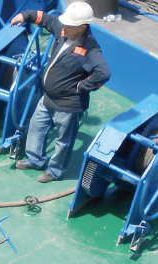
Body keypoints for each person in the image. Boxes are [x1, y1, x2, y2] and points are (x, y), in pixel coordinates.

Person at [11, 2, 110, 182]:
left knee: (64, 141)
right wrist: (25, 16)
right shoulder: (64, 30)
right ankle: (35, 160)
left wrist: (82, 87)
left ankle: (55, 171)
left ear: (82, 27)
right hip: (48, 98)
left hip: (68, 106)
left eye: (69, 24)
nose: (64, 26)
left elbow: (103, 73)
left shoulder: (90, 49)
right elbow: (46, 19)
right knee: (36, 127)